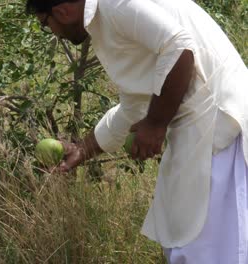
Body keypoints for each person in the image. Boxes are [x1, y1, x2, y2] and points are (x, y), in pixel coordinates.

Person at [25, 0, 248, 262]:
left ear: (61, 11)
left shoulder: (114, 4)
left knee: (213, 247)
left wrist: (155, 123)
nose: (52, 31)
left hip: (220, 123)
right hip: (204, 129)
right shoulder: (105, 18)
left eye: (45, 23)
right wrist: (83, 149)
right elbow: (134, 103)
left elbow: (180, 48)